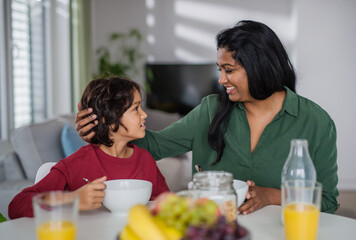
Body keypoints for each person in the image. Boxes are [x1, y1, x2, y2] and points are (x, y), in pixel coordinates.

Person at [76, 20, 339, 215]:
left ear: (259, 67)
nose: (221, 80)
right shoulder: (210, 110)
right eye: (219, 70)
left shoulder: (316, 122)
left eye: (229, 70)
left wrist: (270, 195)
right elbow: (154, 146)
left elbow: (327, 202)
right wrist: (105, 131)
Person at [8, 77, 169, 219]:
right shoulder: (77, 164)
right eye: (136, 108)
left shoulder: (146, 160)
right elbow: (16, 206)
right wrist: (73, 199)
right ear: (109, 119)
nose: (144, 114)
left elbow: (168, 206)